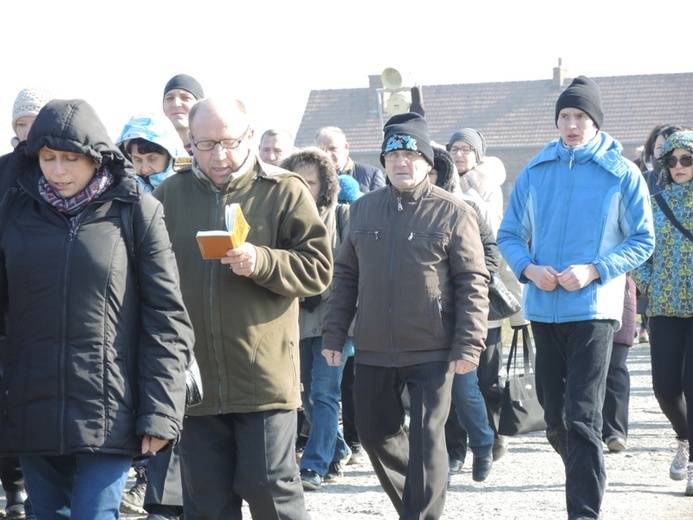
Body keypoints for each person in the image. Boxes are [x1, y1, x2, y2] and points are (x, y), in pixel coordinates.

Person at [0, 98, 194, 519]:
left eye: (70, 158)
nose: (58, 170)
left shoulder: (136, 209)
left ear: (96, 157)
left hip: (109, 406)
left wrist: (161, 410)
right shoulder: (14, 209)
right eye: (48, 158)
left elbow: (167, 316)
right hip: (32, 404)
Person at [153, 97, 332, 519]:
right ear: (190, 142)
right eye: (206, 144)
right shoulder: (170, 195)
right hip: (196, 381)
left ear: (250, 137)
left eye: (230, 142)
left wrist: (263, 261)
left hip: (264, 378)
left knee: (270, 489)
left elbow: (320, 269)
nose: (219, 155)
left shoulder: (284, 190)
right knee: (205, 501)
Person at [498, 75, 655, 520]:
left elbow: (643, 240)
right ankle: (588, 470)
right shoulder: (534, 170)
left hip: (594, 311)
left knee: (583, 416)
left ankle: (583, 511)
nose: (571, 125)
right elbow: (509, 234)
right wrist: (528, 268)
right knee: (554, 419)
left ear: (595, 122)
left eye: (580, 117)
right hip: (544, 310)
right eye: (565, 116)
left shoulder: (621, 172)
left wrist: (595, 269)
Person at [322, 112, 490, 519]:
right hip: (374, 345)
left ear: (428, 164)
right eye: (393, 155)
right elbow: (344, 275)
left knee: (429, 438)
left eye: (411, 156)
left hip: (433, 346)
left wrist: (469, 343)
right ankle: (417, 503)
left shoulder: (454, 212)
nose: (402, 163)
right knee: (375, 432)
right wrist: (333, 334)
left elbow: (473, 281)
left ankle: (419, 513)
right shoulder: (362, 211)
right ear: (383, 161)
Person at [115, 113, 189, 520]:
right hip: (131, 314)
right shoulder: (116, 197)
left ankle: (168, 497)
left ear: (169, 156)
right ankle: (150, 484)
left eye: (152, 160)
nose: (144, 168)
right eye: (136, 160)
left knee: (174, 399)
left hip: (174, 310)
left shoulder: (180, 192)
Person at [279, 147, 353, 491]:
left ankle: (314, 465)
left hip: (332, 319)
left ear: (325, 185)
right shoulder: (281, 219)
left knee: (325, 393)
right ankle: (337, 449)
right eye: (298, 180)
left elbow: (352, 269)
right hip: (294, 319)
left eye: (311, 182)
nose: (304, 187)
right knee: (305, 397)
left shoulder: (342, 215)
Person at [429, 147, 499, 483]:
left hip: (459, 316)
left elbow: (490, 255)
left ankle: (484, 443)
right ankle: (453, 452)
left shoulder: (465, 208)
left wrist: (468, 285)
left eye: (431, 173)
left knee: (463, 389)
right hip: (420, 320)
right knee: (434, 393)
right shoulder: (399, 212)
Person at [0, 86, 52, 520]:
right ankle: (15, 489)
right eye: (21, 123)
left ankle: (38, 495)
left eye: (37, 122)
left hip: (50, 305)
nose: (29, 132)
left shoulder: (68, 169)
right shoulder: (3, 171)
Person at [632, 130, 693, 496]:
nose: (679, 166)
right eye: (671, 160)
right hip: (665, 306)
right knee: (665, 387)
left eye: (687, 158)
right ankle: (683, 438)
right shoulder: (654, 203)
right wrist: (650, 282)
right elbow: (636, 247)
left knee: (692, 384)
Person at [602, 275, 637, 453]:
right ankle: (570, 427)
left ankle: (614, 432)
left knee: (615, 364)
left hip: (617, 291)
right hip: (570, 298)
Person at [314, 126, 386, 195]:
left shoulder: (371, 175)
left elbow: (382, 205)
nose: (327, 154)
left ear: (345, 148)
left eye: (333, 149)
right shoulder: (310, 177)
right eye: (321, 150)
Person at [162, 74, 204, 153]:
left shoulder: (213, 151)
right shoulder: (151, 152)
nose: (176, 104)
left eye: (185, 98)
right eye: (170, 98)